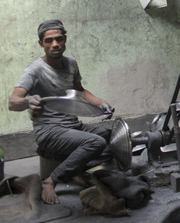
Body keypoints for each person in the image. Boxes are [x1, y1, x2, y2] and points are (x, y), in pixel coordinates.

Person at [8, 19, 114, 205]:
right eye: (49, 41)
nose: (55, 44)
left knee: (111, 138)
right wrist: (28, 101)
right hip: (49, 131)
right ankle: (52, 180)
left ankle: (72, 168)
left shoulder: (71, 63)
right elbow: (13, 102)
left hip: (72, 126)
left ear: (65, 39)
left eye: (58, 39)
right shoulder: (34, 70)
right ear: (41, 44)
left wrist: (100, 102)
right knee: (95, 142)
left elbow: (80, 90)